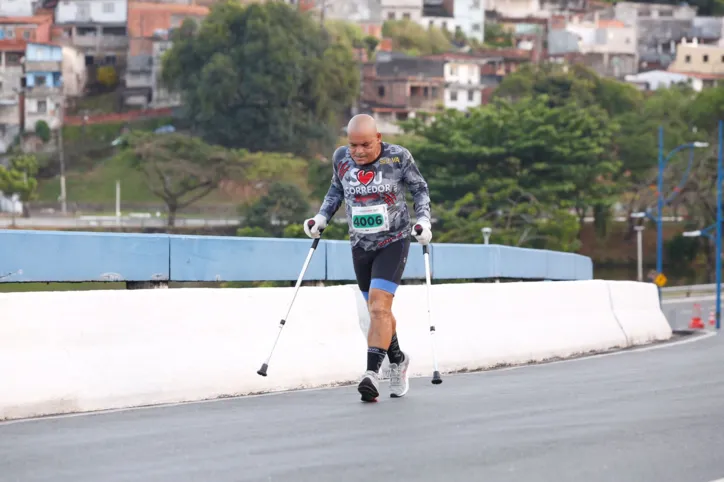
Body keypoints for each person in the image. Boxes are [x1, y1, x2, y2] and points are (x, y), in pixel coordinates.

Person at [303, 114, 433, 402]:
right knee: (377, 312)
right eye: (353, 146)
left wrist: (424, 221)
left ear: (378, 139)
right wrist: (321, 217)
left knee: (378, 304)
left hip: (393, 240)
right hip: (360, 244)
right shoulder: (341, 158)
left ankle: (371, 375)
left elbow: (419, 188)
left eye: (365, 145)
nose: (358, 152)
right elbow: (336, 189)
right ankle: (398, 359)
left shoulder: (397, 157)